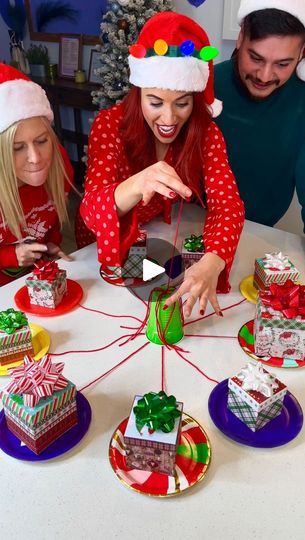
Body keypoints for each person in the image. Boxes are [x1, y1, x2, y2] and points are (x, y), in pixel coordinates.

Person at [80, 11, 245, 318]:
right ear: (137, 93)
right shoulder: (109, 125)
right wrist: (134, 185)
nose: (169, 119)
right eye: (155, 102)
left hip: (160, 238)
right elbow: (90, 211)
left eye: (182, 103)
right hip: (101, 254)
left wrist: (213, 260)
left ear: (194, 99)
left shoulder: (206, 131)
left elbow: (228, 205)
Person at [214, 0, 305, 230]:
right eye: (255, 58)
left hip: (257, 233)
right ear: (241, 37)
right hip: (189, 224)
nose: (265, 76)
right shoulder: (205, 85)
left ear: (302, 53)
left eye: (282, 64)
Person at [0, 63, 74, 286]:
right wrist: (10, 256)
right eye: (17, 147)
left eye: (42, 141)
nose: (35, 157)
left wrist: (49, 244)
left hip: (35, 280)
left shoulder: (58, 165)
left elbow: (51, 223)